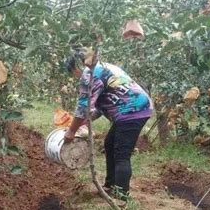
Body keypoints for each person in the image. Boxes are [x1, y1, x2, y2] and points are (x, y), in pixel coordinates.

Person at [63, 50, 153, 199]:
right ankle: (110, 185)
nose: (75, 77)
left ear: (76, 67)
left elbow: (83, 107)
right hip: (133, 108)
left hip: (131, 110)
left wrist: (71, 131)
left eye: (73, 73)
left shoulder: (89, 74)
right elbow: (98, 108)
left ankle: (122, 196)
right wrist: (81, 123)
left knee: (121, 154)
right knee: (109, 143)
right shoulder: (104, 67)